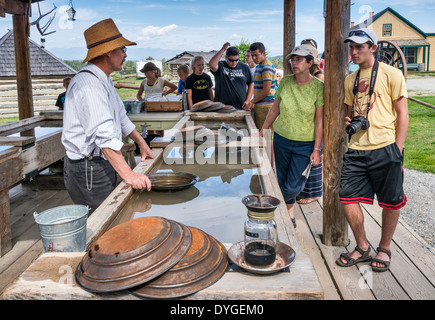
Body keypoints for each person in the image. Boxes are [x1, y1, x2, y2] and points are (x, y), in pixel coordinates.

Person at [62, 18, 154, 214]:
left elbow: (121, 116)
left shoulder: (104, 79)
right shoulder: (89, 84)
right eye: (122, 49)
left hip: (100, 162)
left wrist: (142, 143)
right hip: (88, 168)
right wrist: (129, 175)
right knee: (103, 224)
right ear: (108, 52)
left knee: (111, 219)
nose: (125, 54)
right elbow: (103, 137)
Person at [336, 28, 409, 272]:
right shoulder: (350, 80)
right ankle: (363, 245)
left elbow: (402, 114)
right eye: (351, 47)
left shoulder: (391, 74)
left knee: (391, 201)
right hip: (357, 148)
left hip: (385, 147)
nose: (354, 52)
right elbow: (350, 113)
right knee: (346, 197)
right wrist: (349, 122)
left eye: (359, 47)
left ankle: (385, 247)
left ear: (373, 48)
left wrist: (397, 149)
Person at [259, 45, 324, 228]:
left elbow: (320, 121)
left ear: (310, 63)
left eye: (299, 59)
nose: (294, 63)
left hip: (305, 144)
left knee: (294, 186)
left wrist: (317, 149)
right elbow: (274, 109)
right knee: (281, 178)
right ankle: (288, 214)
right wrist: (263, 130)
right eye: (292, 59)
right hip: (281, 139)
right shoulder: (286, 82)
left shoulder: (318, 87)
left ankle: (273, 207)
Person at [297, 43, 324, 204]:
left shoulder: (319, 77)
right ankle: (303, 190)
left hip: (316, 121)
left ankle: (313, 194)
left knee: (315, 160)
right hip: (305, 122)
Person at [209, 42, 254, 110]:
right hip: (221, 108)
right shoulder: (221, 66)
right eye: (231, 60)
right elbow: (212, 64)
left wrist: (248, 100)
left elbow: (251, 83)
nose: (234, 63)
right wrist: (223, 49)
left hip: (240, 107)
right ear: (226, 57)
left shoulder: (244, 67)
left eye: (236, 60)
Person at [248, 42, 276, 130]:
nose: (254, 58)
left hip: (266, 107)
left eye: (256, 55)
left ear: (263, 53)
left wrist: (251, 102)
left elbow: (266, 90)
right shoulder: (259, 66)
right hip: (261, 105)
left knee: (265, 137)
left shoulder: (266, 67)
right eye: (252, 55)